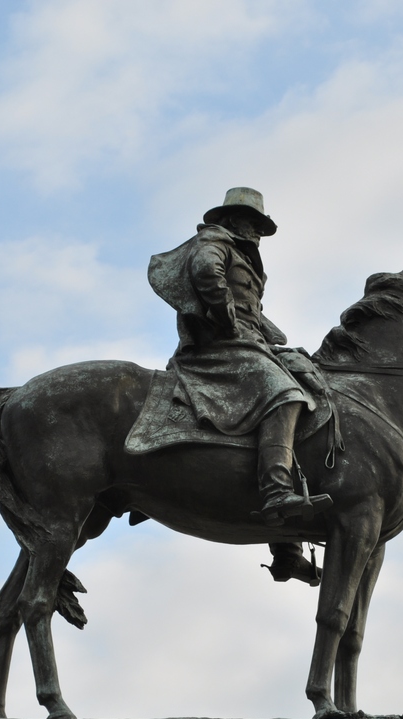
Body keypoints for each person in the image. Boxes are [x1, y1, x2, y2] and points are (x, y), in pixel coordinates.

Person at [148, 187, 322, 585]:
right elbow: (206, 274)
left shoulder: (248, 260)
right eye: (251, 222)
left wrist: (272, 336)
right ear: (230, 219)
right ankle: (277, 492)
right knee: (285, 395)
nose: (257, 232)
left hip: (249, 343)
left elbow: (254, 311)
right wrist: (226, 318)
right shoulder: (214, 241)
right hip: (218, 347)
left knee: (310, 384)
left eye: (260, 225)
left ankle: (287, 550)